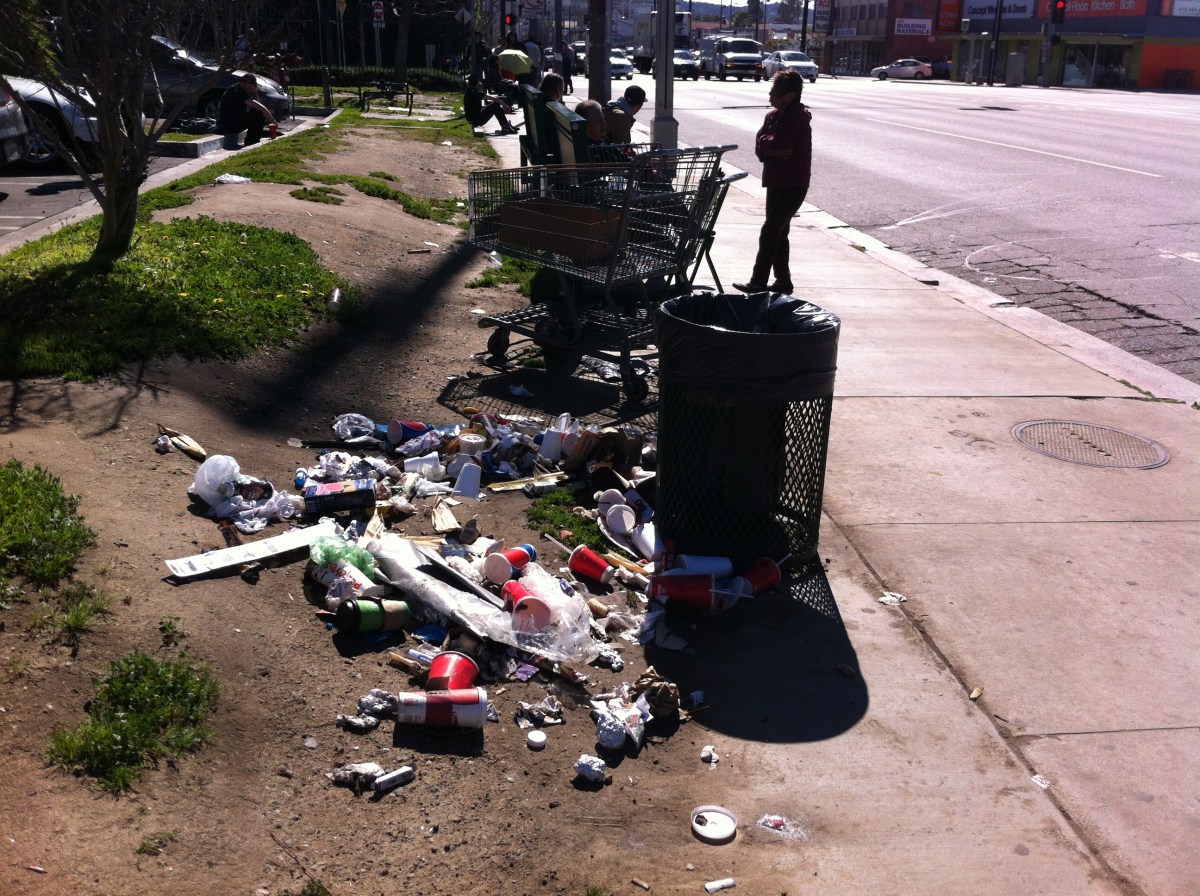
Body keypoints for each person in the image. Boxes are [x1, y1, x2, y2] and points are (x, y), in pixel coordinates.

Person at [733, 70, 812, 295]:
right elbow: (761, 147)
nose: (770, 96)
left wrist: (769, 146)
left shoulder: (798, 116)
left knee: (770, 231)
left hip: (793, 183)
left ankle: (758, 283)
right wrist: (770, 147)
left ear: (789, 95)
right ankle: (783, 282)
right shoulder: (772, 116)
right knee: (779, 233)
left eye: (774, 92)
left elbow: (774, 143)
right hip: (775, 180)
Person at [218, 72, 278, 150]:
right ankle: (251, 142)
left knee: (257, 113)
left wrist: (254, 92)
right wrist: (272, 121)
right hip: (230, 124)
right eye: (250, 88)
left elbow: (257, 105)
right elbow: (261, 108)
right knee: (258, 113)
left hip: (236, 119)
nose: (250, 90)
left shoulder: (242, 88)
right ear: (244, 83)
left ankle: (253, 141)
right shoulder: (237, 91)